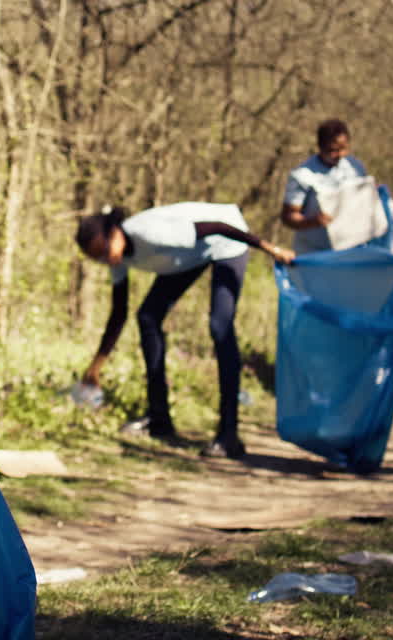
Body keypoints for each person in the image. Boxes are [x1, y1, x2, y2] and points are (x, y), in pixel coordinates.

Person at [76, 203, 295, 459]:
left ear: (114, 232)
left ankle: (228, 434)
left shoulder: (148, 232)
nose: (106, 259)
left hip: (226, 239)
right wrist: (96, 366)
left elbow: (216, 227)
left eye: (104, 250)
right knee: (148, 317)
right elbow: (118, 314)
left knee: (219, 324)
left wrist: (269, 247)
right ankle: (159, 419)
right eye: (98, 258)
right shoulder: (118, 256)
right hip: (190, 257)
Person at [279, 118, 373, 254]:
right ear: (320, 147)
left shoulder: (355, 167)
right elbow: (288, 217)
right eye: (333, 150)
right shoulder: (303, 176)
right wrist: (313, 222)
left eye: (343, 149)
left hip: (350, 249)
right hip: (315, 254)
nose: (340, 155)